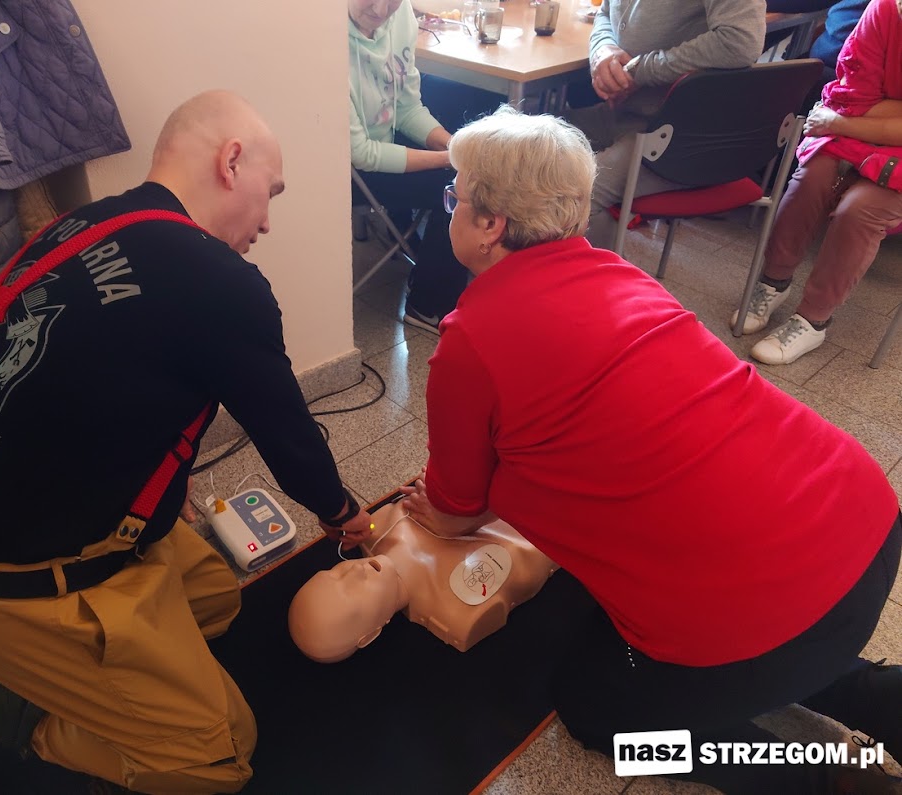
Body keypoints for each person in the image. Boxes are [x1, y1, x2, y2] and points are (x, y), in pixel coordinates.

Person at [0, 90, 375, 794]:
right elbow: (292, 443)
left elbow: (95, 386)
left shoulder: (82, 224)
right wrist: (348, 515)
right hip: (21, 583)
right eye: (271, 193)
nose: (265, 221)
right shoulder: (219, 282)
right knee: (217, 756)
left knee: (219, 606)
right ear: (232, 161)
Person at [401, 105, 902, 794]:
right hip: (863, 522)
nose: (449, 203)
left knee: (597, 712)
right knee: (795, 634)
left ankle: (812, 777)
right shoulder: (618, 272)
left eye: (455, 194)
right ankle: (869, 694)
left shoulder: (470, 343)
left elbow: (456, 511)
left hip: (762, 608)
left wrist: (431, 512)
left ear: (491, 225)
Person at [734, 0, 902, 365]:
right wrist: (853, 120)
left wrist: (843, 123)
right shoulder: (885, 9)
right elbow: (851, 97)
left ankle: (813, 319)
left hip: (852, 132)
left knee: (860, 209)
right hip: (852, 130)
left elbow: (847, 112)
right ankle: (773, 281)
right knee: (812, 178)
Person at [349, 0, 498, 333]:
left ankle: (445, 279)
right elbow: (361, 153)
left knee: (471, 120)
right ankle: (430, 304)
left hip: (380, 143)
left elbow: (407, 108)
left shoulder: (401, 16)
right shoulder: (324, 34)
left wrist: (457, 146)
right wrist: (452, 159)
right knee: (456, 182)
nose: (380, 9)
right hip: (343, 169)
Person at [573, 0, 767, 248]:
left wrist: (640, 70)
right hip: (629, 113)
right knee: (532, 149)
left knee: (575, 195)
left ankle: (591, 282)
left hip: (684, 133)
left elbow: (740, 41)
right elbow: (605, 12)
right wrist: (603, 49)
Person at [288, 499, 556, 661]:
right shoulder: (458, 613)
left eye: (334, 573)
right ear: (369, 636)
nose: (353, 572)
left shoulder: (379, 528)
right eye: (351, 592)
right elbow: (534, 561)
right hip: (555, 511)